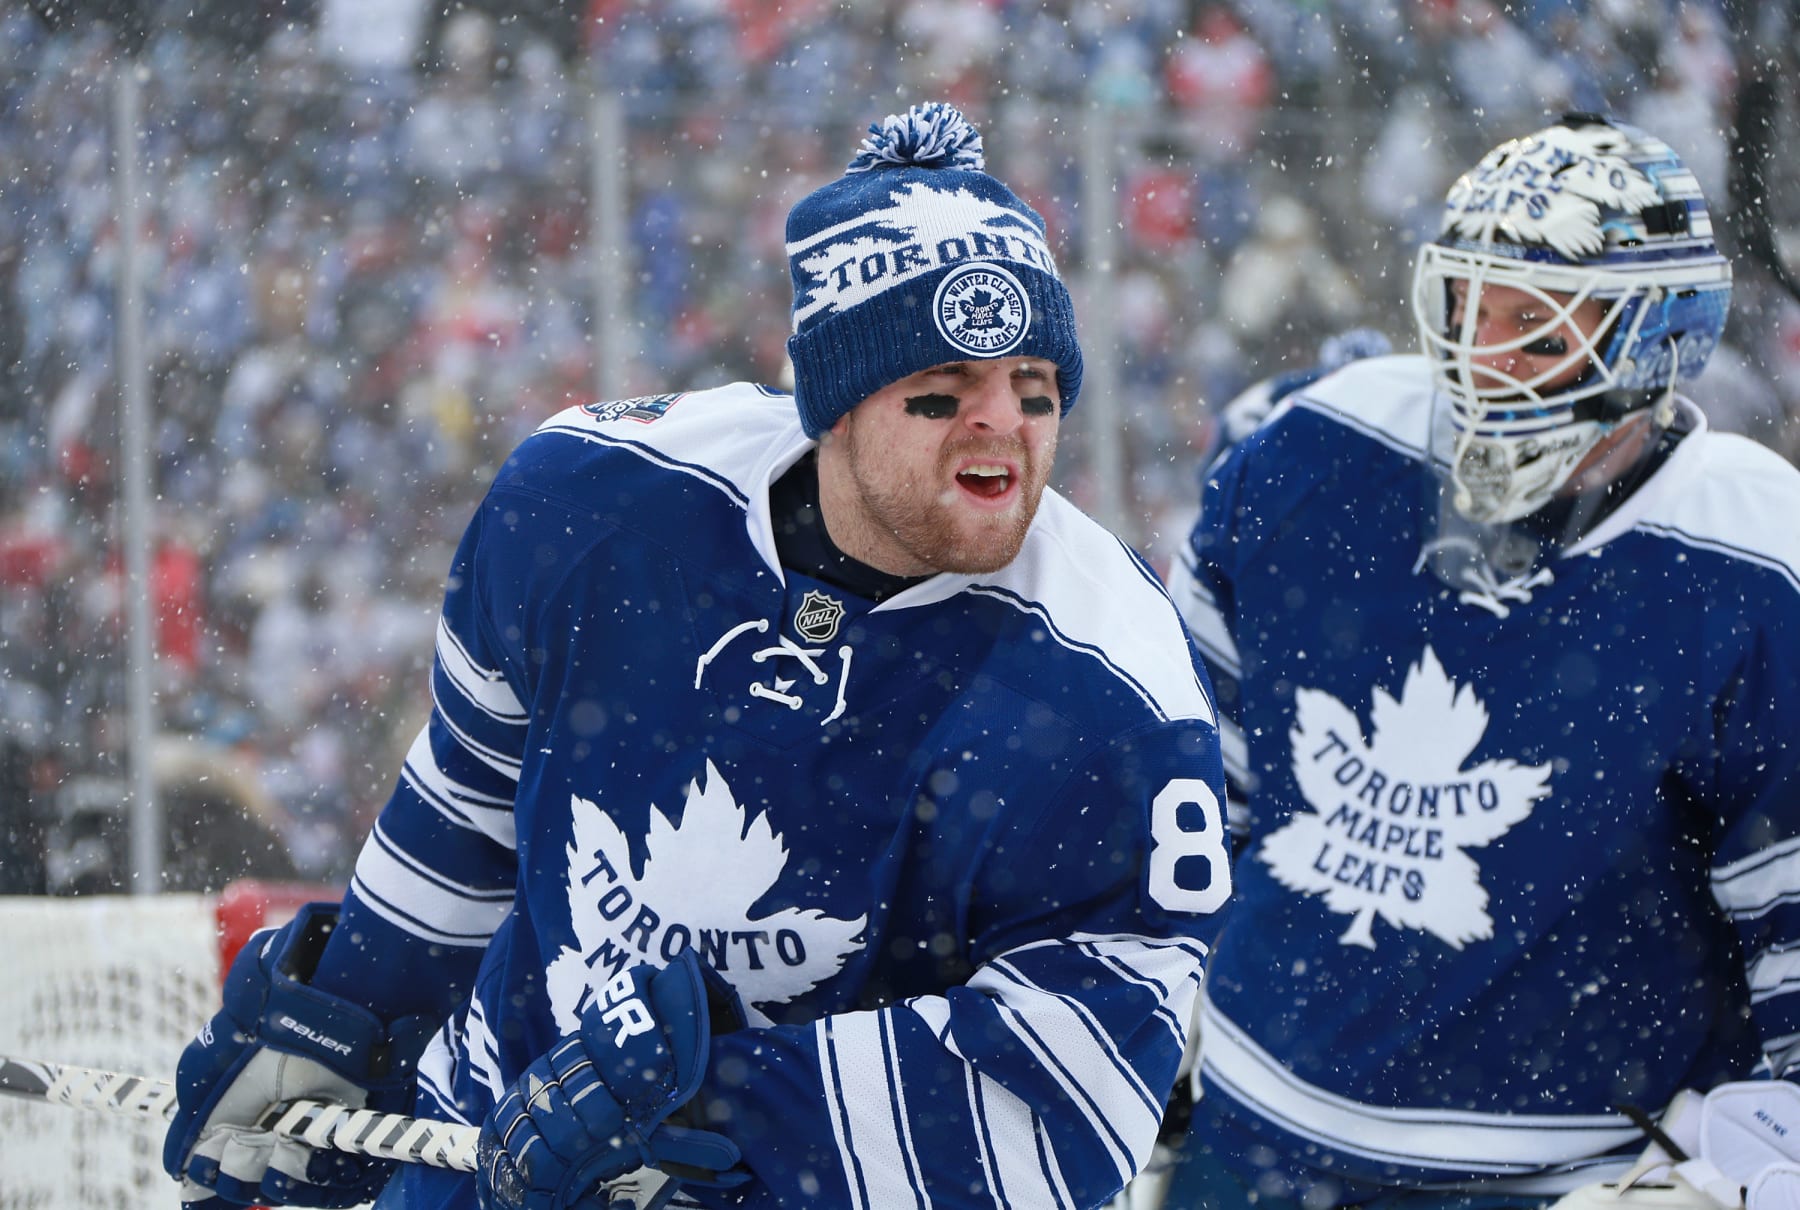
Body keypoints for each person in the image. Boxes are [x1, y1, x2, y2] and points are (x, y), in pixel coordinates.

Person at [162, 101, 1231, 1210]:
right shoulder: (593, 498)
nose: (1000, 427)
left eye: (1035, 392)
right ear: (836, 404)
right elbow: (473, 797)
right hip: (494, 1149)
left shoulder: (1117, 691)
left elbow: (1070, 1097)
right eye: (939, 392)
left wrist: (705, 1107)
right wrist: (350, 1018)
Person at [1162, 113, 1800, 1208]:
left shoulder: (1747, 563)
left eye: (1539, 331)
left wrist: (1755, 1166)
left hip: (1555, 1181)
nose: (1483, 359)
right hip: (1245, 1136)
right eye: (1470, 307)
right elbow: (1176, 774)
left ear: (1653, 340)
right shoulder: (1319, 447)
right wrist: (1142, 1019)